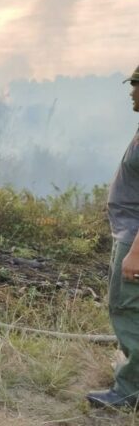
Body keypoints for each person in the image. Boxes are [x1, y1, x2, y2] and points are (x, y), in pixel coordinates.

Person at [88, 65, 139, 408]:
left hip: (134, 238)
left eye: (136, 84)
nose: (131, 91)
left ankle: (129, 392)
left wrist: (135, 252)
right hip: (129, 233)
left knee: (127, 309)